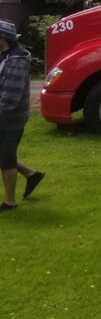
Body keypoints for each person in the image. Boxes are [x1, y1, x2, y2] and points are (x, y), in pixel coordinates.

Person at [0, 20, 43, 212]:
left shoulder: (16, 60)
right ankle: (31, 174)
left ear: (3, 38)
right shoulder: (5, 56)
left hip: (10, 118)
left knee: (6, 157)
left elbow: (10, 97)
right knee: (2, 154)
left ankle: (9, 202)